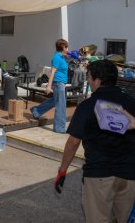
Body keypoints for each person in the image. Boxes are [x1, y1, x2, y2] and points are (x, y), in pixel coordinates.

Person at [54, 60, 135, 223]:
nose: (88, 81)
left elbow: (73, 142)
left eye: (89, 77)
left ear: (98, 81)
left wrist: (62, 170)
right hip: (129, 176)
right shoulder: (131, 102)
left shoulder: (87, 106)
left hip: (99, 175)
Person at [30, 39, 69, 133]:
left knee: (54, 101)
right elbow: (52, 72)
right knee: (61, 106)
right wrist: (49, 86)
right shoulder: (57, 57)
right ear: (63, 47)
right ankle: (59, 128)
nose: (68, 49)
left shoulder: (62, 57)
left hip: (61, 83)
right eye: (67, 47)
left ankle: (36, 110)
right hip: (58, 83)